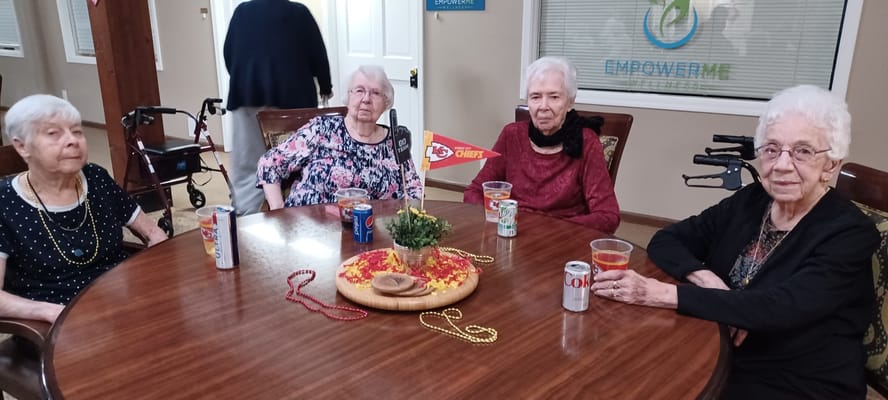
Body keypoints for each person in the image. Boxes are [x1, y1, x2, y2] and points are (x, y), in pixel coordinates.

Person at [591, 85, 878, 399]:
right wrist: (710, 281)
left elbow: (780, 307)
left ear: (831, 165)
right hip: (720, 347)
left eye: (803, 151)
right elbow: (667, 240)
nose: (782, 164)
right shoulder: (753, 200)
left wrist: (660, 293)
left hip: (797, 378)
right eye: (771, 149)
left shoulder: (850, 233)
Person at [0, 94, 168, 324]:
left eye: (77, 131)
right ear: (22, 146)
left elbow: (153, 233)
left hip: (125, 304)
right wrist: (49, 312)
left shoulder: (95, 178)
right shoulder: (4, 201)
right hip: (60, 323)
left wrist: (159, 279)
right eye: (53, 134)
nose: (72, 141)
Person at [463, 56, 620, 234]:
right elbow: (473, 192)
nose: (543, 106)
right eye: (535, 97)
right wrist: (504, 217)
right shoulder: (511, 135)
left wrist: (548, 229)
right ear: (528, 102)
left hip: (562, 241)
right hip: (513, 234)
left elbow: (608, 216)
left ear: (570, 102)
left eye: (554, 97)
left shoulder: (586, 141)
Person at [257, 65, 422, 209]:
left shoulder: (395, 141)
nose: (366, 99)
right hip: (310, 230)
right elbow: (270, 163)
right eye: (359, 90)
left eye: (375, 93)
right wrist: (278, 210)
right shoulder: (322, 129)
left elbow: (414, 189)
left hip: (372, 233)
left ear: (386, 102)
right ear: (348, 97)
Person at [223, 0, 333, 215]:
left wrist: (246, 79)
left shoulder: (242, 12)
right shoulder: (299, 13)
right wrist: (326, 86)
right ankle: (295, 211)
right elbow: (318, 54)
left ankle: (247, 213)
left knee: (248, 163)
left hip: (247, 97)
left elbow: (229, 55)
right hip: (292, 102)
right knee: (296, 159)